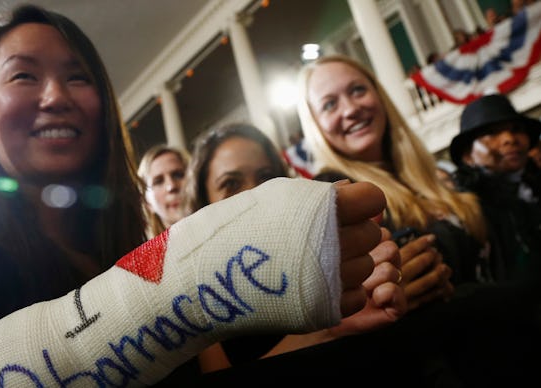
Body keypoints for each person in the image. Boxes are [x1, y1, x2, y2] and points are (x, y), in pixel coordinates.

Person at [0, 5, 397, 387]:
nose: (56, 96)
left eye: (78, 77)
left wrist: (332, 329)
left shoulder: (145, 251)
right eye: (23, 77)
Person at [296, 54, 541, 385]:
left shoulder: (436, 176)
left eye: (357, 90)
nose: (350, 108)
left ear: (379, 97)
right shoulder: (334, 195)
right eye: (329, 104)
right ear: (315, 124)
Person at [178, 122, 404, 376]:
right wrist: (328, 331)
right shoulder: (195, 296)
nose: (254, 192)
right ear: (203, 202)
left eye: (265, 176)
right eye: (231, 182)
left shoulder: (326, 255)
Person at [449, 93, 541, 284]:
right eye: (491, 133)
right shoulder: (466, 212)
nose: (509, 139)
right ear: (468, 156)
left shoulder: (532, 188)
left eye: (516, 129)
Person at [137, 144, 189, 238]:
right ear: (147, 203)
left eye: (178, 175)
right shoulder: (147, 252)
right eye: (158, 182)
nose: (171, 186)